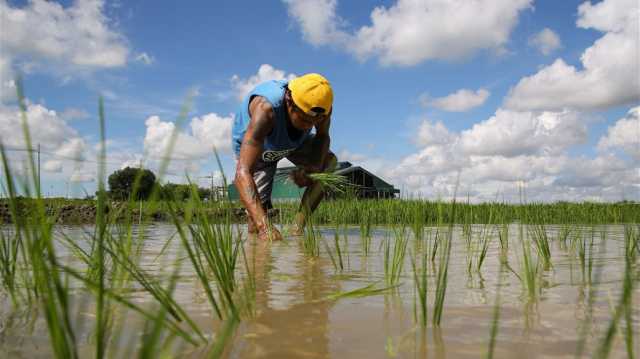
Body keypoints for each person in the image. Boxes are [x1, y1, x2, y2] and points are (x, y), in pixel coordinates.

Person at [232, 73, 337, 241]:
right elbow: (242, 174)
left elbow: (322, 136)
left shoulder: (322, 109)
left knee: (329, 162)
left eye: (313, 122)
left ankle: (297, 229)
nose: (308, 126)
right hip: (261, 145)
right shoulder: (266, 110)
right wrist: (264, 227)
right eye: (303, 119)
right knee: (256, 220)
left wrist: (314, 169)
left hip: (294, 142)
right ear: (289, 100)